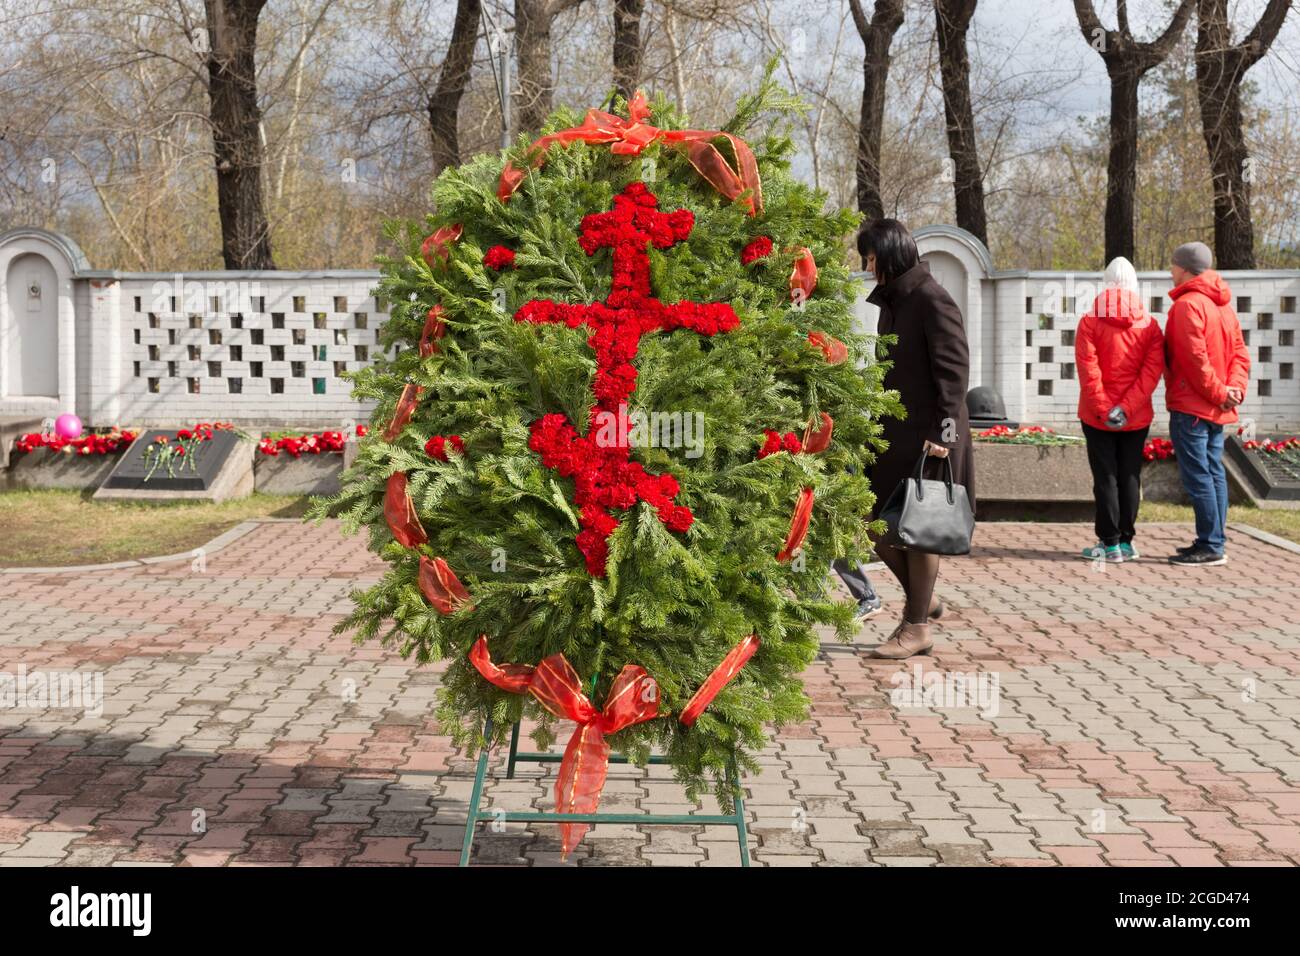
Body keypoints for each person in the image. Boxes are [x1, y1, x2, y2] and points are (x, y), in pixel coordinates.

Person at [860, 219, 973, 659]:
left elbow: (954, 369)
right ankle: (923, 600)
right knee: (877, 524)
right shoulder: (894, 302)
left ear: (889, 255)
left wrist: (943, 433)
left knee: (921, 530)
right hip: (895, 432)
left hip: (932, 435)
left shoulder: (930, 298)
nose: (868, 268)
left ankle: (917, 626)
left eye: (871, 258)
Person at [1162, 241, 1250, 567]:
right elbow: (1240, 354)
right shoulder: (1223, 306)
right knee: (1213, 474)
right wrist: (1234, 390)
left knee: (1200, 476)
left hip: (1194, 407)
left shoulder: (1187, 305)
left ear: (1184, 268)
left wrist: (1219, 393)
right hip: (1216, 406)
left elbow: (1193, 361)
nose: (1170, 271)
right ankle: (1211, 540)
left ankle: (1211, 545)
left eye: (1172, 265)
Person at [1074, 256, 1165, 563]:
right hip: (1136, 417)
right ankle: (1127, 541)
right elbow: (1150, 374)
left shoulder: (1089, 322)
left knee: (1105, 477)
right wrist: (1126, 409)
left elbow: (1089, 371)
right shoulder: (1150, 326)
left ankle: (1108, 543)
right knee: (1129, 476)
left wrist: (1104, 409)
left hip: (1097, 417)